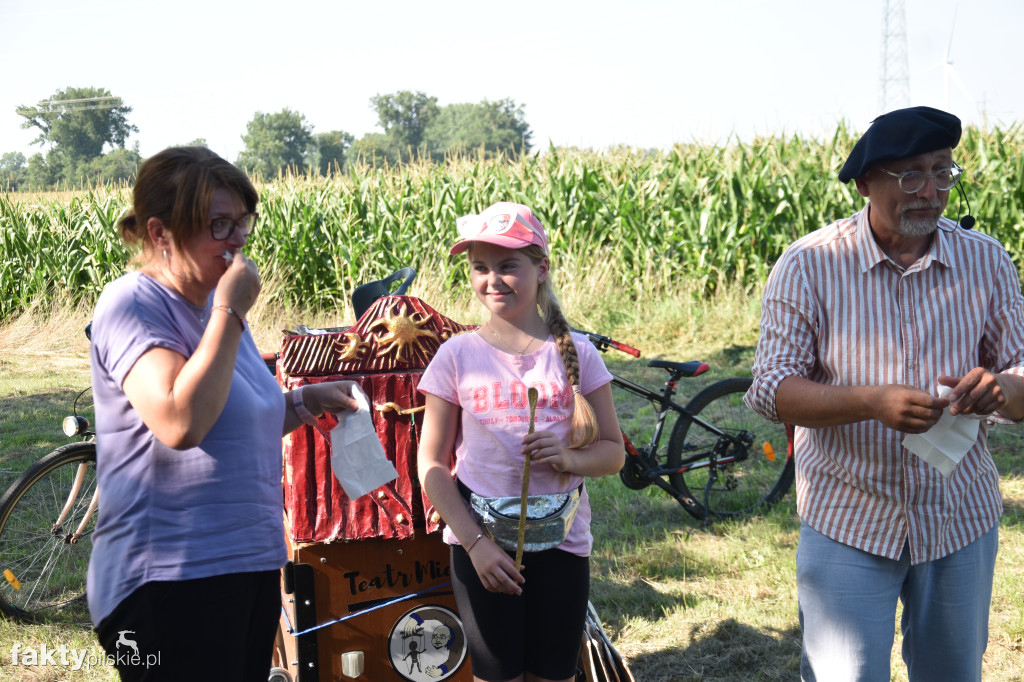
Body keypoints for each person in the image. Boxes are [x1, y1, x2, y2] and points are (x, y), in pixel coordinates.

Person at [744, 106, 1024, 681]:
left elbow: (1020, 370)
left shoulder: (986, 261)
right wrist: (870, 402)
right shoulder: (809, 266)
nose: (930, 191)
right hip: (849, 517)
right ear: (866, 184)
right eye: (910, 176)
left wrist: (1003, 388)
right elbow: (771, 390)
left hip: (957, 518)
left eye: (943, 171)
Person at [87, 146, 359, 681]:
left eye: (242, 223)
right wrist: (230, 310)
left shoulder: (212, 305)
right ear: (160, 233)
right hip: (168, 579)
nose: (236, 240)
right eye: (218, 225)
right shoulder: (133, 304)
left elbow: (227, 421)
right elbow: (180, 422)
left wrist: (304, 402)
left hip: (246, 564)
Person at [416, 202, 624, 682]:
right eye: (480, 267)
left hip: (562, 547)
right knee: (499, 673)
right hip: (482, 547)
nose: (492, 279)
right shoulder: (456, 356)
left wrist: (570, 457)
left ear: (541, 268)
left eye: (508, 265)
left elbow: (613, 452)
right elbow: (431, 464)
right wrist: (475, 545)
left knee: (554, 673)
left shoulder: (578, 355)